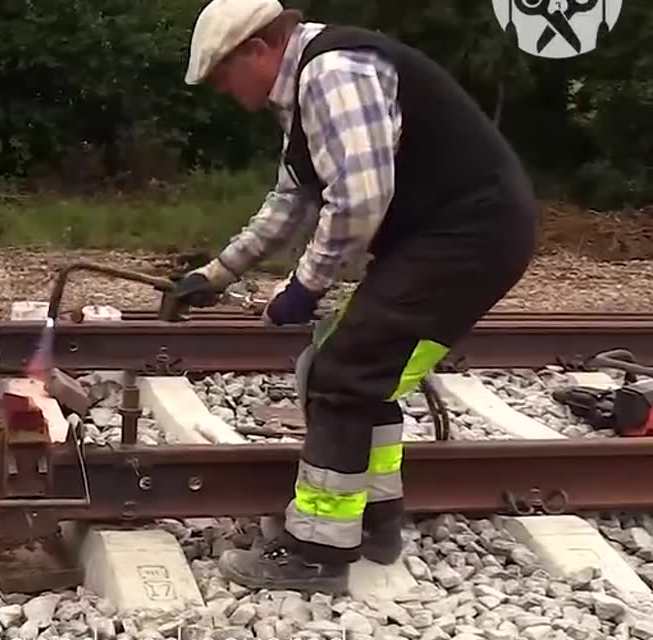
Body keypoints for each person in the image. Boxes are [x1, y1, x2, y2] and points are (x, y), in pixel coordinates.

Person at [173, 0, 537, 593]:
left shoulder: (332, 72)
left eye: (222, 72)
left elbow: (360, 200)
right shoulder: (302, 98)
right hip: (449, 237)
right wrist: (216, 275)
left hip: (469, 236)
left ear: (257, 49)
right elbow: (289, 202)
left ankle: (317, 551)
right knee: (362, 371)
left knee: (341, 373)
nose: (221, 88)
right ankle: (374, 520)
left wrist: (304, 287)